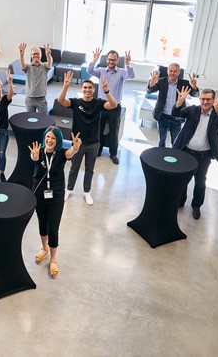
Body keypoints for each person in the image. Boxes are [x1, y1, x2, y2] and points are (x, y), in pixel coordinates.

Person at [57, 70, 117, 206]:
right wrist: (65, 86)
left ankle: (87, 192)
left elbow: (113, 105)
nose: (87, 90)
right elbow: (61, 100)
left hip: (93, 144)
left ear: (93, 89)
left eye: (90, 88)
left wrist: (107, 92)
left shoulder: (98, 103)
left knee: (89, 170)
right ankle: (69, 190)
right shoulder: (75, 102)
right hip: (77, 144)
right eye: (85, 87)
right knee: (74, 169)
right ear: (81, 89)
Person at [29, 127, 81, 279]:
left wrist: (75, 148)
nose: (49, 140)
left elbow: (70, 153)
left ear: (58, 140)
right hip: (40, 194)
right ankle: (44, 248)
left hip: (56, 195)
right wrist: (34, 157)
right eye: (47, 137)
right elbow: (34, 158)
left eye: (53, 138)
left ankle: (53, 259)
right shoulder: (38, 152)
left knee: (53, 228)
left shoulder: (61, 153)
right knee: (42, 223)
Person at [172, 87, 218, 219]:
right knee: (183, 178)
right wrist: (179, 103)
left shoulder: (216, 115)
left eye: (208, 99)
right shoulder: (192, 110)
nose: (205, 102)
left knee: (200, 182)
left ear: (213, 101)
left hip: (204, 156)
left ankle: (196, 206)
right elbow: (177, 113)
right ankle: (180, 201)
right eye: (203, 99)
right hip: (187, 152)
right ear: (199, 99)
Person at [87, 48, 135, 164]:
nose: (111, 62)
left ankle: (113, 154)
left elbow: (131, 76)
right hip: (102, 106)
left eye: (114, 60)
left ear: (117, 61)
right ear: (106, 60)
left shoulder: (122, 72)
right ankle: (98, 151)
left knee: (114, 132)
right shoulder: (101, 71)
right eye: (109, 59)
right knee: (99, 130)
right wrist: (94, 60)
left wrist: (128, 64)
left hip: (115, 107)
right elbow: (89, 70)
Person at [146, 63, 198, 148]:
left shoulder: (184, 83)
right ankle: (161, 154)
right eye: (170, 71)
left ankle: (174, 155)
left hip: (177, 117)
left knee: (176, 141)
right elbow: (149, 91)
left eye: (175, 71)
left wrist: (194, 86)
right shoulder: (161, 81)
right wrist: (151, 82)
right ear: (167, 71)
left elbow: (195, 94)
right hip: (162, 116)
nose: (172, 73)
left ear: (178, 72)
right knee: (161, 140)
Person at [19, 43, 52, 112]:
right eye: (34, 54)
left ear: (41, 55)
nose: (36, 55)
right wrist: (21, 55)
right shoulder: (28, 67)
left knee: (43, 118)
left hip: (41, 98)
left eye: (37, 54)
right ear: (31, 56)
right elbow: (22, 65)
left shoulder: (44, 66)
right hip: (30, 98)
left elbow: (49, 64)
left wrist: (48, 55)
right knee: (30, 117)